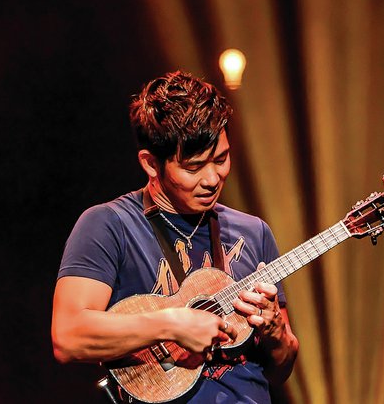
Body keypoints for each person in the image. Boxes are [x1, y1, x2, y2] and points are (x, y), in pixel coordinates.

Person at [51, 70, 299, 403]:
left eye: (221, 159)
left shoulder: (254, 232)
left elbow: (279, 369)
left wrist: (276, 332)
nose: (213, 178)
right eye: (194, 166)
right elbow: (68, 337)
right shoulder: (108, 225)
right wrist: (171, 325)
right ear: (151, 164)